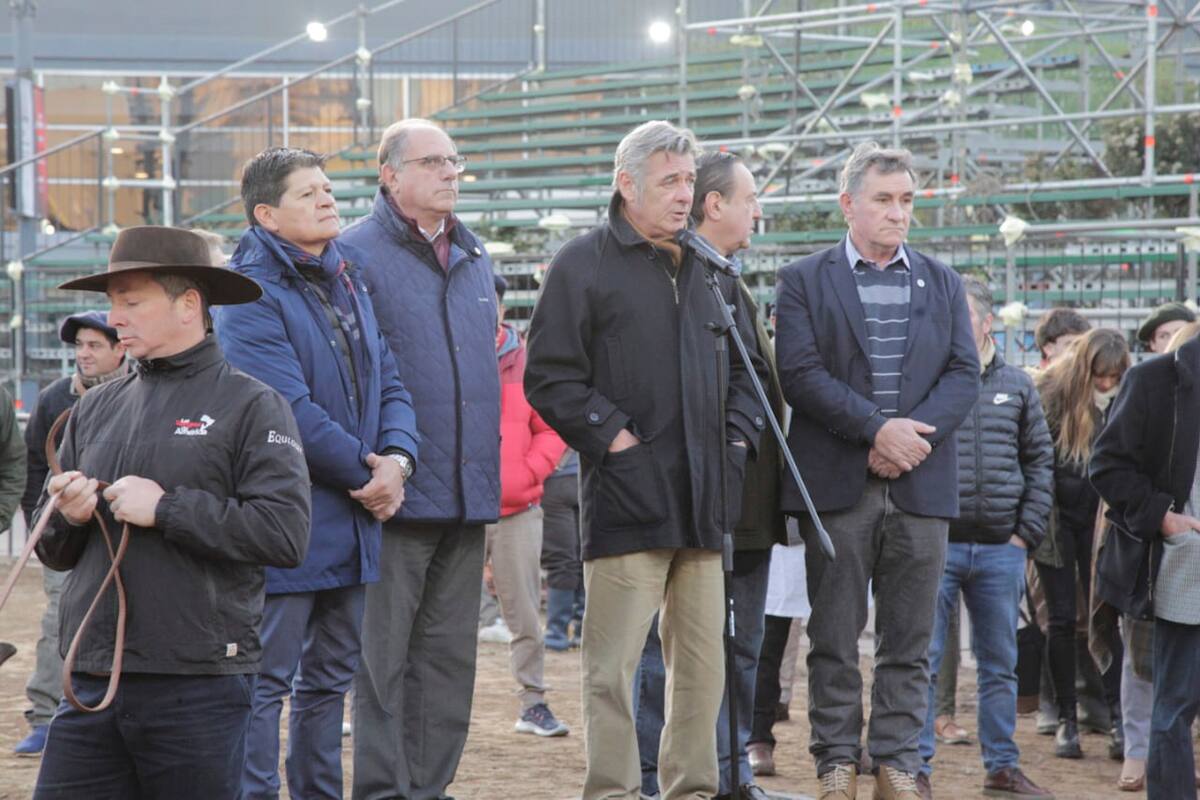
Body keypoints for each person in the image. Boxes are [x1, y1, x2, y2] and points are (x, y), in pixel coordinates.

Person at [525, 120, 765, 800]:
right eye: (669, 181)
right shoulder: (583, 263)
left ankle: (692, 789)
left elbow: (752, 377)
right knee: (611, 670)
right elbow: (550, 378)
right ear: (626, 184)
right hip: (627, 502)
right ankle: (614, 792)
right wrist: (618, 441)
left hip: (705, 503)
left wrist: (737, 444)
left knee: (702, 667)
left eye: (690, 180)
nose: (685, 194)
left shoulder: (712, 269)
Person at [31, 225, 311, 799]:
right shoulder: (95, 407)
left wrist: (167, 509)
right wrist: (70, 516)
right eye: (112, 303)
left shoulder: (254, 405)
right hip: (91, 678)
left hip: (197, 682)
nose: (116, 318)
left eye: (131, 301)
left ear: (189, 305)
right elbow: (52, 551)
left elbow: (284, 534)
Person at [774, 141, 979, 800]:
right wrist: (874, 429)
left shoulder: (943, 282)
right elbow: (800, 374)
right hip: (840, 483)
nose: (898, 213)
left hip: (919, 485)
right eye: (884, 200)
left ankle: (895, 763)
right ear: (849, 204)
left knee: (910, 640)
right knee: (833, 636)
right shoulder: (804, 279)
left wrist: (907, 441)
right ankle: (836, 761)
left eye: (907, 200)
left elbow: (963, 374)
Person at [216, 146, 419, 799]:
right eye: (309, 194)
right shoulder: (246, 293)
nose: (328, 200)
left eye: (328, 189)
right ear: (266, 215)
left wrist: (399, 459)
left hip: (354, 516)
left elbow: (390, 380)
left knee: (329, 684)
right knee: (265, 684)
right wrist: (372, 471)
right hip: (287, 520)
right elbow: (286, 412)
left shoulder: (345, 275)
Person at [339, 118, 500, 800]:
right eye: (432, 161)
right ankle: (381, 791)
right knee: (382, 665)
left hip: (468, 494)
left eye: (455, 161)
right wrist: (370, 468)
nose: (450, 172)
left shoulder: (474, 255)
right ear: (389, 174)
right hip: (392, 494)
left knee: (448, 662)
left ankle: (428, 790)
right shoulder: (351, 254)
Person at [632, 149, 782, 800]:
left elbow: (754, 386)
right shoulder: (671, 275)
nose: (758, 210)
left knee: (739, 648)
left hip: (743, 505)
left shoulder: (730, 280)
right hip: (683, 502)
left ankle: (731, 774)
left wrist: (740, 451)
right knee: (669, 655)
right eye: (750, 198)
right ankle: (650, 776)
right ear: (714, 205)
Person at [917, 277, 1055, 799]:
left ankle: (1001, 765)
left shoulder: (1017, 385)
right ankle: (916, 770)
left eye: (962, 315)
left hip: (1002, 549)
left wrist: (1025, 534)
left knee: (1000, 663)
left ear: (986, 321)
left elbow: (1040, 460)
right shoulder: (926, 380)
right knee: (923, 660)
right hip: (938, 544)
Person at [1090, 321, 1200, 800]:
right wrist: (1164, 517)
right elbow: (1108, 465)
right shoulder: (1157, 380)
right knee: (1174, 706)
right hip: (1187, 568)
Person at [14, 311, 126, 756]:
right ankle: (45, 715)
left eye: (95, 345)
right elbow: (33, 466)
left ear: (121, 349)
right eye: (79, 345)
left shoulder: (140, 396)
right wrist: (45, 526)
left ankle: (108, 710)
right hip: (68, 533)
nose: (83, 354)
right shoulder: (54, 397)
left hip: (121, 535)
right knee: (58, 617)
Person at [1032, 328, 1129, 760]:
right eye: (1100, 376)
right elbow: (1037, 459)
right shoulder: (1052, 392)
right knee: (1061, 619)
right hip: (1056, 521)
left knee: (1105, 617)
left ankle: (1118, 718)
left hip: (1103, 522)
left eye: (1113, 377)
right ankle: (1067, 720)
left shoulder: (1128, 397)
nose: (1106, 384)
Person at [487, 272, 570, 736]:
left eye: (491, 302)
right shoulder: (445, 353)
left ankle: (533, 703)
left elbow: (552, 426)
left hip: (517, 509)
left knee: (525, 617)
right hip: (456, 511)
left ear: (500, 308)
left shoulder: (525, 359)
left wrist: (528, 472)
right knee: (438, 624)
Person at [540, 448, 583, 651]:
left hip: (575, 476)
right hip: (564, 477)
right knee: (568, 559)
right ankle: (563, 632)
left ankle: (561, 632)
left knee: (573, 559)